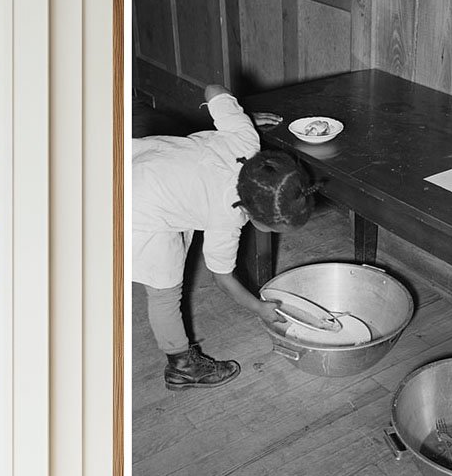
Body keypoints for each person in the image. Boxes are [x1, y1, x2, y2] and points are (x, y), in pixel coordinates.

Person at [132, 83, 317, 390]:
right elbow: (224, 280)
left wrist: (241, 115)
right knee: (164, 291)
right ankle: (182, 367)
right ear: (253, 216)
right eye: (274, 227)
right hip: (137, 208)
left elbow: (213, 89)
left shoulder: (245, 139)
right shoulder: (225, 219)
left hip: (137, 160)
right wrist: (260, 308)